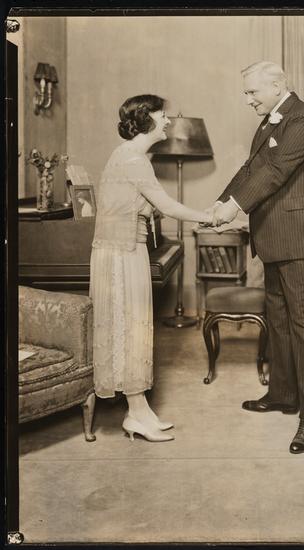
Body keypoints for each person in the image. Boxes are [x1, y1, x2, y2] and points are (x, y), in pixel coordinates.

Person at [212, 61, 304, 454]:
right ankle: (283, 394)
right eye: (246, 93)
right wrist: (220, 202)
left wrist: (234, 208)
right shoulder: (269, 122)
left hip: (300, 237)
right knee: (278, 319)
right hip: (272, 236)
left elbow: (277, 171)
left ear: (278, 85)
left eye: (252, 92)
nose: (248, 100)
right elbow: (251, 169)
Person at [90, 94, 212, 442]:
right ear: (147, 119)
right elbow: (167, 206)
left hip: (123, 251)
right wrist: (210, 218)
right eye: (163, 115)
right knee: (129, 329)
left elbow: (146, 206)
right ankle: (137, 414)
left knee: (132, 328)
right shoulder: (134, 160)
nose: (168, 121)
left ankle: (139, 411)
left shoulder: (126, 155)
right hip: (122, 254)